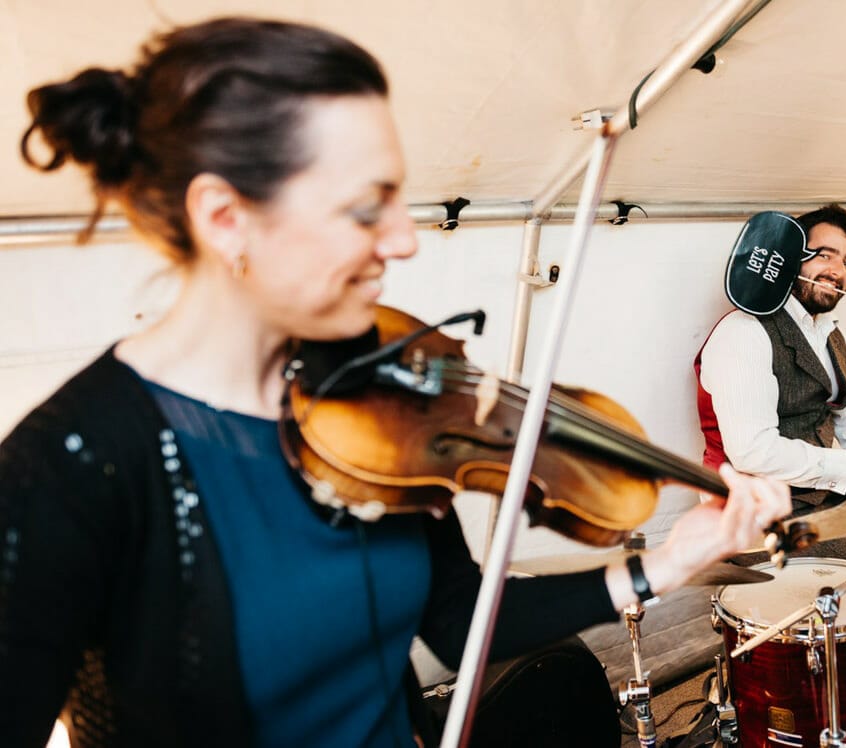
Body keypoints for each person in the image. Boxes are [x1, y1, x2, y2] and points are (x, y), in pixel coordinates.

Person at [0, 17, 792, 748]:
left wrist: (671, 561)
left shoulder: (382, 400)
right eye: (365, 207)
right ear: (225, 217)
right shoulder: (70, 466)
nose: (405, 239)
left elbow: (457, 619)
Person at [695, 203, 846, 561]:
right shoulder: (743, 333)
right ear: (791, 259)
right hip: (754, 514)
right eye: (824, 255)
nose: (837, 271)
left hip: (818, 497)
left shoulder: (830, 337)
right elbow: (752, 451)